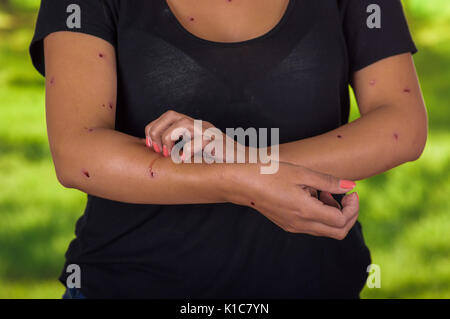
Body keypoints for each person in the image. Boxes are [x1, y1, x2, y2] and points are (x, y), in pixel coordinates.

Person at [29, 0, 427, 299]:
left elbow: (402, 124)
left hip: (316, 284)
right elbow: (77, 153)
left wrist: (242, 158)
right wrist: (243, 181)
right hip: (128, 283)